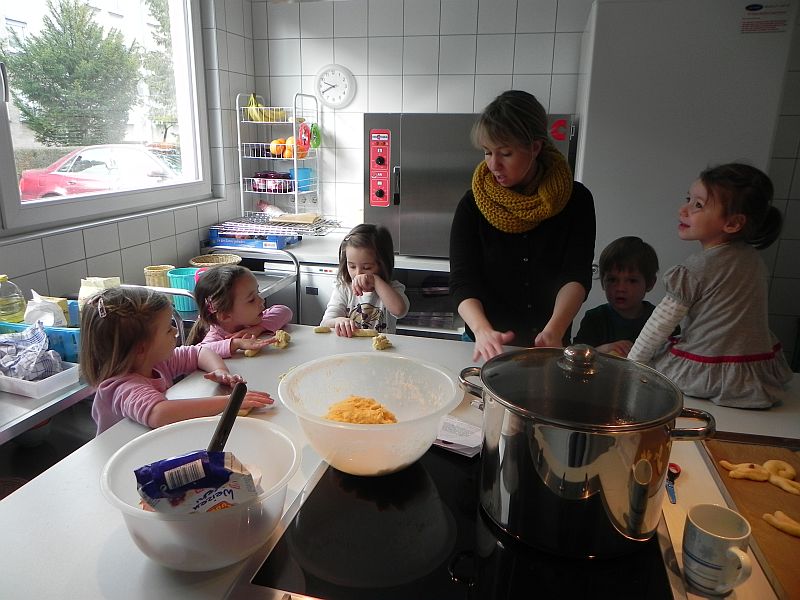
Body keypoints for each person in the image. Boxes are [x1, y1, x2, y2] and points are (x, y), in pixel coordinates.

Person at [628, 163, 792, 408]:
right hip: (750, 371)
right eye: (688, 199)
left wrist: (630, 365)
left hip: (705, 372)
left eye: (698, 205)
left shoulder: (697, 268)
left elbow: (660, 324)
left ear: (733, 224)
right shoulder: (753, 259)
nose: (683, 209)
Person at [449, 90, 596, 361]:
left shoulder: (576, 201)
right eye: (487, 152)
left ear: (535, 147)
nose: (494, 164)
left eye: (505, 153)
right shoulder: (473, 205)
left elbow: (575, 274)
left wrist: (555, 330)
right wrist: (482, 330)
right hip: (487, 345)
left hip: (550, 343)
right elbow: (462, 280)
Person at [80, 287, 273, 435]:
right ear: (141, 348)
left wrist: (221, 372)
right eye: (167, 329)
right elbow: (160, 414)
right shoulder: (122, 387)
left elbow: (200, 353)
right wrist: (229, 402)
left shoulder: (155, 361)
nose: (174, 331)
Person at [574, 236, 660, 357]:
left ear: (650, 283)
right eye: (612, 280)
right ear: (603, 282)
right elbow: (576, 354)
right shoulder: (594, 318)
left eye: (632, 281)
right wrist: (604, 349)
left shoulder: (660, 320)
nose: (620, 288)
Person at [320, 223, 410, 336]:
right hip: (348, 349)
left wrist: (376, 281)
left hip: (380, 351)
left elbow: (399, 311)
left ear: (383, 265)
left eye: (367, 267)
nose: (358, 273)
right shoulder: (344, 288)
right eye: (352, 266)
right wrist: (338, 321)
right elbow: (325, 323)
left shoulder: (392, 289)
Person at [186, 265, 293, 354]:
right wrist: (236, 343)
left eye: (258, 293)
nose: (261, 300)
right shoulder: (216, 338)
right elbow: (198, 352)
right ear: (225, 316)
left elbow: (284, 311)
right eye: (251, 300)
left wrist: (258, 328)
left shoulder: (249, 321)